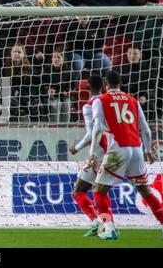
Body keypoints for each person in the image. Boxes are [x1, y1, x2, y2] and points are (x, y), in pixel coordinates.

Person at [89, 70, 163, 240]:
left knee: (99, 191)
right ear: (120, 84)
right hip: (137, 149)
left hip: (118, 149)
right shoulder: (132, 100)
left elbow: (98, 127)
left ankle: (109, 228)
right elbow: (145, 128)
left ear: (105, 85)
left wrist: (93, 152)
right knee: (146, 191)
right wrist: (148, 150)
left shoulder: (100, 100)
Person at [69, 75, 111, 237]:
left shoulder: (89, 105)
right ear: (103, 86)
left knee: (78, 192)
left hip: (98, 153)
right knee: (100, 193)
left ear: (87, 87)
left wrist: (77, 148)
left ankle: (98, 223)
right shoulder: (109, 101)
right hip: (115, 150)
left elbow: (92, 133)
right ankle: (107, 226)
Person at [37, 46, 72, 123]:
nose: (56, 59)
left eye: (58, 57)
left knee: (66, 105)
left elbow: (70, 86)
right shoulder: (46, 69)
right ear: (51, 59)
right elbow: (42, 86)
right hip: (51, 97)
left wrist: (67, 91)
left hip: (63, 96)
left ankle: (65, 129)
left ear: (63, 59)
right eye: (54, 57)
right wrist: (47, 90)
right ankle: (54, 129)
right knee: (55, 105)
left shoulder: (68, 71)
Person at [2, 43, 32, 120]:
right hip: (9, 96)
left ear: (23, 54)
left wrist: (19, 92)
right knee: (13, 103)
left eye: (19, 52)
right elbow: (3, 85)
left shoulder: (28, 68)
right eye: (14, 52)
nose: (16, 54)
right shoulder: (5, 67)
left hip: (24, 95)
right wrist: (13, 92)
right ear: (11, 53)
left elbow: (30, 86)